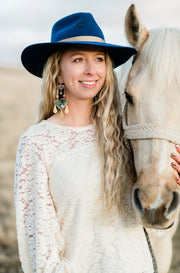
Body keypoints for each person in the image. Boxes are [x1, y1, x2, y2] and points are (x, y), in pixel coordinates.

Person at [14, 12, 180, 273]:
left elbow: (155, 233)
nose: (92, 70)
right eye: (78, 59)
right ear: (58, 71)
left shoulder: (125, 136)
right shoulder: (37, 143)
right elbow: (41, 256)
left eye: (99, 59)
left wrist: (169, 185)